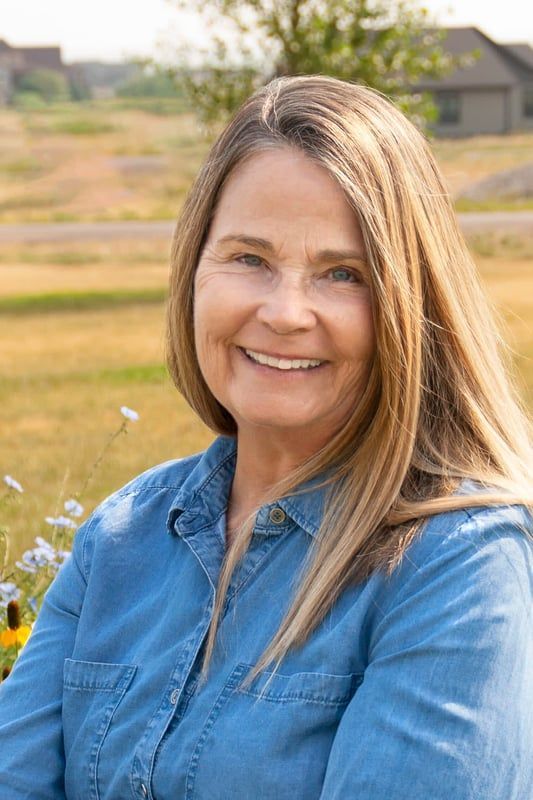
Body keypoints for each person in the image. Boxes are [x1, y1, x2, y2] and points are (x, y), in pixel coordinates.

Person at [0, 75, 532, 800]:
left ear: (411, 306)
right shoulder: (121, 536)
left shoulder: (459, 563)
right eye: (249, 258)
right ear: (195, 269)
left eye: (342, 274)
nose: (285, 312)